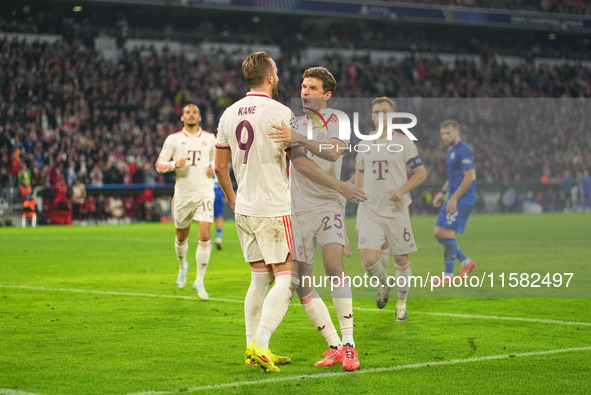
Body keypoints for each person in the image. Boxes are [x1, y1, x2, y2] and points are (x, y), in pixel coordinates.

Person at [268, 66, 363, 371]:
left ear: (327, 94)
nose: (305, 91)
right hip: (298, 207)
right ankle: (334, 345)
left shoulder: (338, 119)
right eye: (303, 86)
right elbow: (301, 165)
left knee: (334, 265)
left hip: (329, 205)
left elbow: (334, 152)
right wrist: (342, 185)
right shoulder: (294, 121)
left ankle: (350, 346)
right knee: (301, 281)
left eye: (312, 87)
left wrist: (298, 138)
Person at [214, 51, 295, 374]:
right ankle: (259, 344)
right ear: (270, 77)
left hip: (245, 207)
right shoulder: (280, 112)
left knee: (260, 278)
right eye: (276, 71)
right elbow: (299, 162)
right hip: (274, 206)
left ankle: (252, 347)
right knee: (289, 278)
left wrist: (233, 200)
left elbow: (220, 167)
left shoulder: (228, 114)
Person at [352, 97, 426, 321]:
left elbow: (421, 173)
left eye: (386, 111)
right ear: (372, 116)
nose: (381, 115)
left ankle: (401, 305)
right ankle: (385, 284)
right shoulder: (364, 144)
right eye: (377, 112)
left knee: (401, 261)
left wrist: (402, 189)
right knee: (368, 260)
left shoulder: (404, 142)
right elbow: (360, 172)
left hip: (396, 210)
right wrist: (355, 191)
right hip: (370, 210)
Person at [156, 104, 215, 300]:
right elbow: (159, 164)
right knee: (181, 236)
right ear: (182, 118)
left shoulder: (209, 138)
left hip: (204, 192)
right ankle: (183, 267)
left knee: (205, 234)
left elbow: (217, 161)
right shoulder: (174, 139)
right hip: (183, 194)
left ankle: (200, 280)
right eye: (187, 113)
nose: (191, 115)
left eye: (194, 112)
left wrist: (213, 169)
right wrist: (174, 164)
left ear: (199, 117)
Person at [431, 120, 477, 284]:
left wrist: (454, 199)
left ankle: (448, 275)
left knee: (447, 233)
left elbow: (469, 177)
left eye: (448, 133)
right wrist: (442, 193)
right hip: (453, 196)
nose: (444, 136)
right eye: (442, 133)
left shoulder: (463, 150)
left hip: (462, 198)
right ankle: (465, 262)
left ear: (457, 132)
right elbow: (453, 177)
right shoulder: (451, 149)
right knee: (439, 232)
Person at [212, 176, 224, 249]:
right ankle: (218, 237)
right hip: (217, 187)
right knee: (218, 216)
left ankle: (208, 240)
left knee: (206, 217)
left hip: (207, 187)